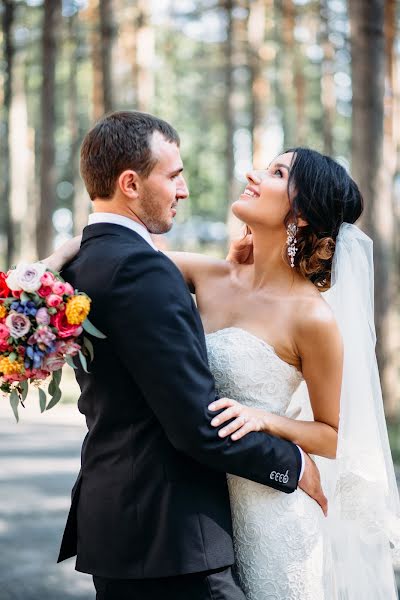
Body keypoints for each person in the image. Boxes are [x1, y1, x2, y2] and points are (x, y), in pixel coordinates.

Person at [53, 134, 400, 598]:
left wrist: (267, 419)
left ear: (300, 215)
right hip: (198, 502)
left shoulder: (311, 316)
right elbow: (115, 251)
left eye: (277, 174)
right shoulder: (206, 274)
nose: (252, 175)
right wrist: (52, 264)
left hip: (269, 511)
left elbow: (333, 435)